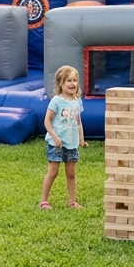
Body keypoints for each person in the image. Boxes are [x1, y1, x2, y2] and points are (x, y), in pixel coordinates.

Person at [39, 65, 87, 210]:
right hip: (56, 144)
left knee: (71, 174)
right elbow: (47, 121)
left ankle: (72, 201)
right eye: (68, 81)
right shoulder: (56, 101)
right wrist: (55, 137)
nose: (72, 84)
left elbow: (78, 122)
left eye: (75, 80)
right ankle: (44, 201)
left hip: (71, 143)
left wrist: (81, 140)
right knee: (53, 172)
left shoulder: (77, 101)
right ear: (61, 83)